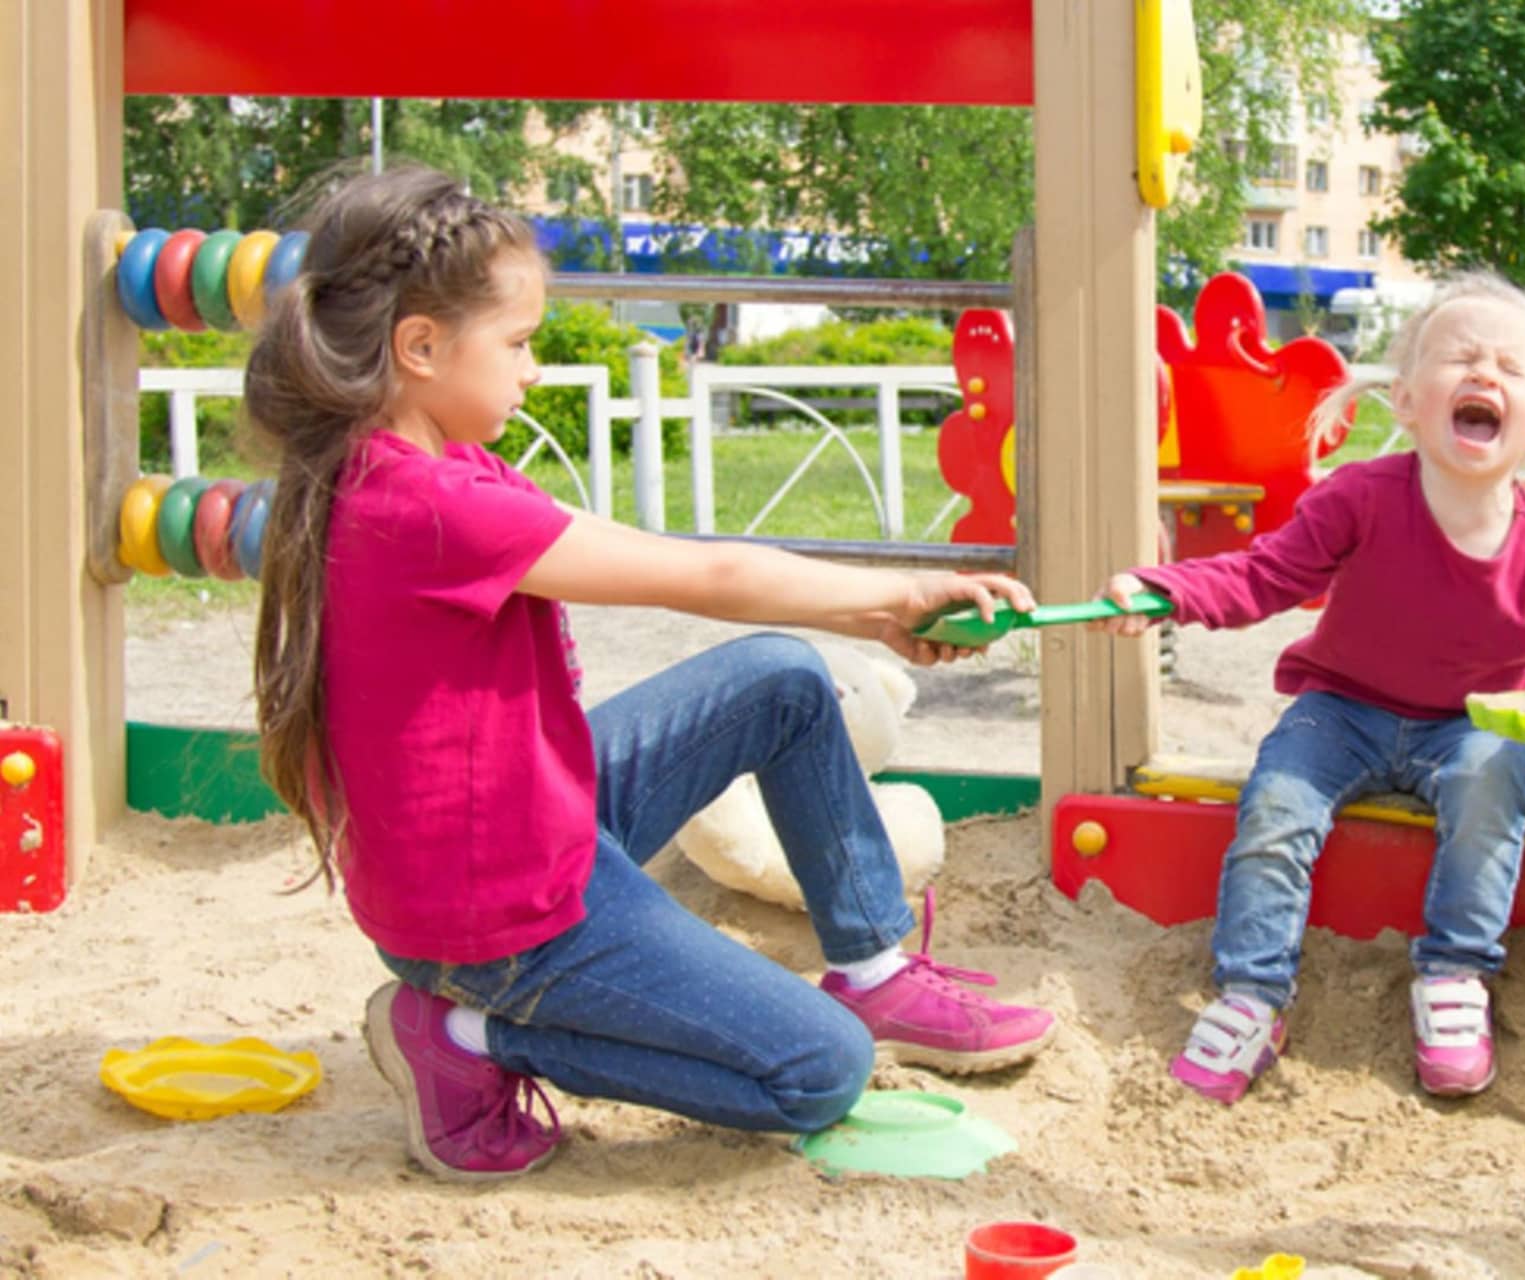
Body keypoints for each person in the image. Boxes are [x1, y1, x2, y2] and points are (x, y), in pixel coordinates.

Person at [245, 167, 1055, 1181]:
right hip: (495, 921)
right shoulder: (422, 505)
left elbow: (678, 561)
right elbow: (701, 573)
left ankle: (872, 966)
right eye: (519, 341)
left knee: (783, 680)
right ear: (418, 346)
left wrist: (880, 607)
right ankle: (465, 1036)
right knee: (819, 1072)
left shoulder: (437, 464)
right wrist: (892, 597)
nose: (532, 369)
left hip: (525, 824)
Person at [1094, 272, 1525, 1102]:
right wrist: (1169, 591)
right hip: (1341, 710)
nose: (1485, 374)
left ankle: (1456, 974)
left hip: (1470, 724)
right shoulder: (1360, 497)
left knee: (1497, 778)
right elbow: (1267, 573)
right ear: (1408, 403)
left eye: (1511, 367)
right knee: (1275, 805)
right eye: (1460, 358)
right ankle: (1253, 995)